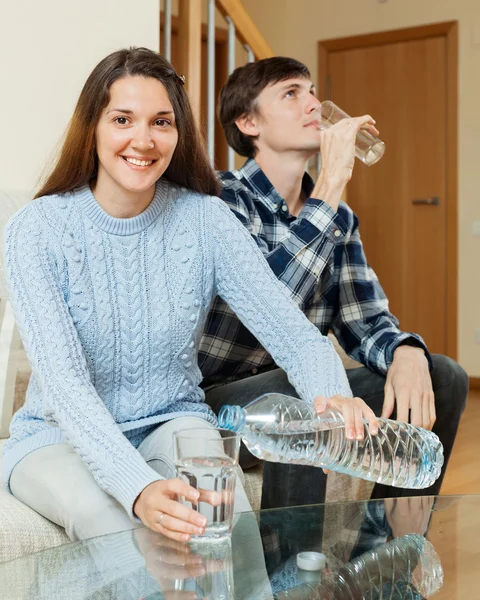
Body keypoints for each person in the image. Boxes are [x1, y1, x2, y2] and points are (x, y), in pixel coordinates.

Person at [2, 48, 376, 543]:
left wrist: (332, 399)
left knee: (226, 525)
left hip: (173, 420)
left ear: (179, 134)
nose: (144, 139)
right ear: (92, 126)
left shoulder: (206, 219)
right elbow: (67, 387)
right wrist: (138, 488)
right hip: (57, 437)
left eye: (162, 121)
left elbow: (292, 331)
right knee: (114, 524)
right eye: (122, 119)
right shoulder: (37, 228)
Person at [199, 56, 469, 509]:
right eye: (291, 93)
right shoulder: (221, 198)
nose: (314, 105)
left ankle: (389, 556)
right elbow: (270, 311)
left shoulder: (337, 217)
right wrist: (331, 184)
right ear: (248, 122)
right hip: (216, 403)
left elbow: (365, 319)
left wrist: (405, 350)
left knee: (445, 374)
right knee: (299, 392)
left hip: (298, 384)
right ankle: (290, 575)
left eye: (311, 91)